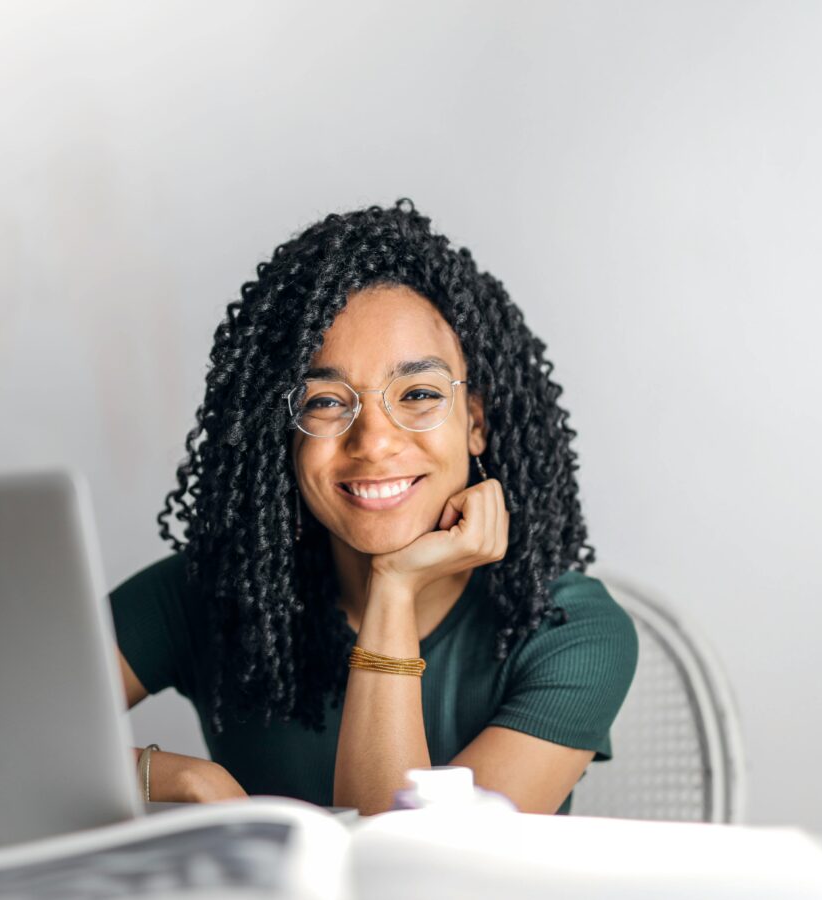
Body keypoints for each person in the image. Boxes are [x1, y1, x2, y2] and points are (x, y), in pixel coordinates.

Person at [110, 200, 637, 816]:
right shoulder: (211, 591)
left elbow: (411, 876)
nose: (375, 441)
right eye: (327, 402)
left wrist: (394, 587)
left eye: (417, 393)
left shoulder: (569, 631)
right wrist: (175, 777)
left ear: (476, 422)